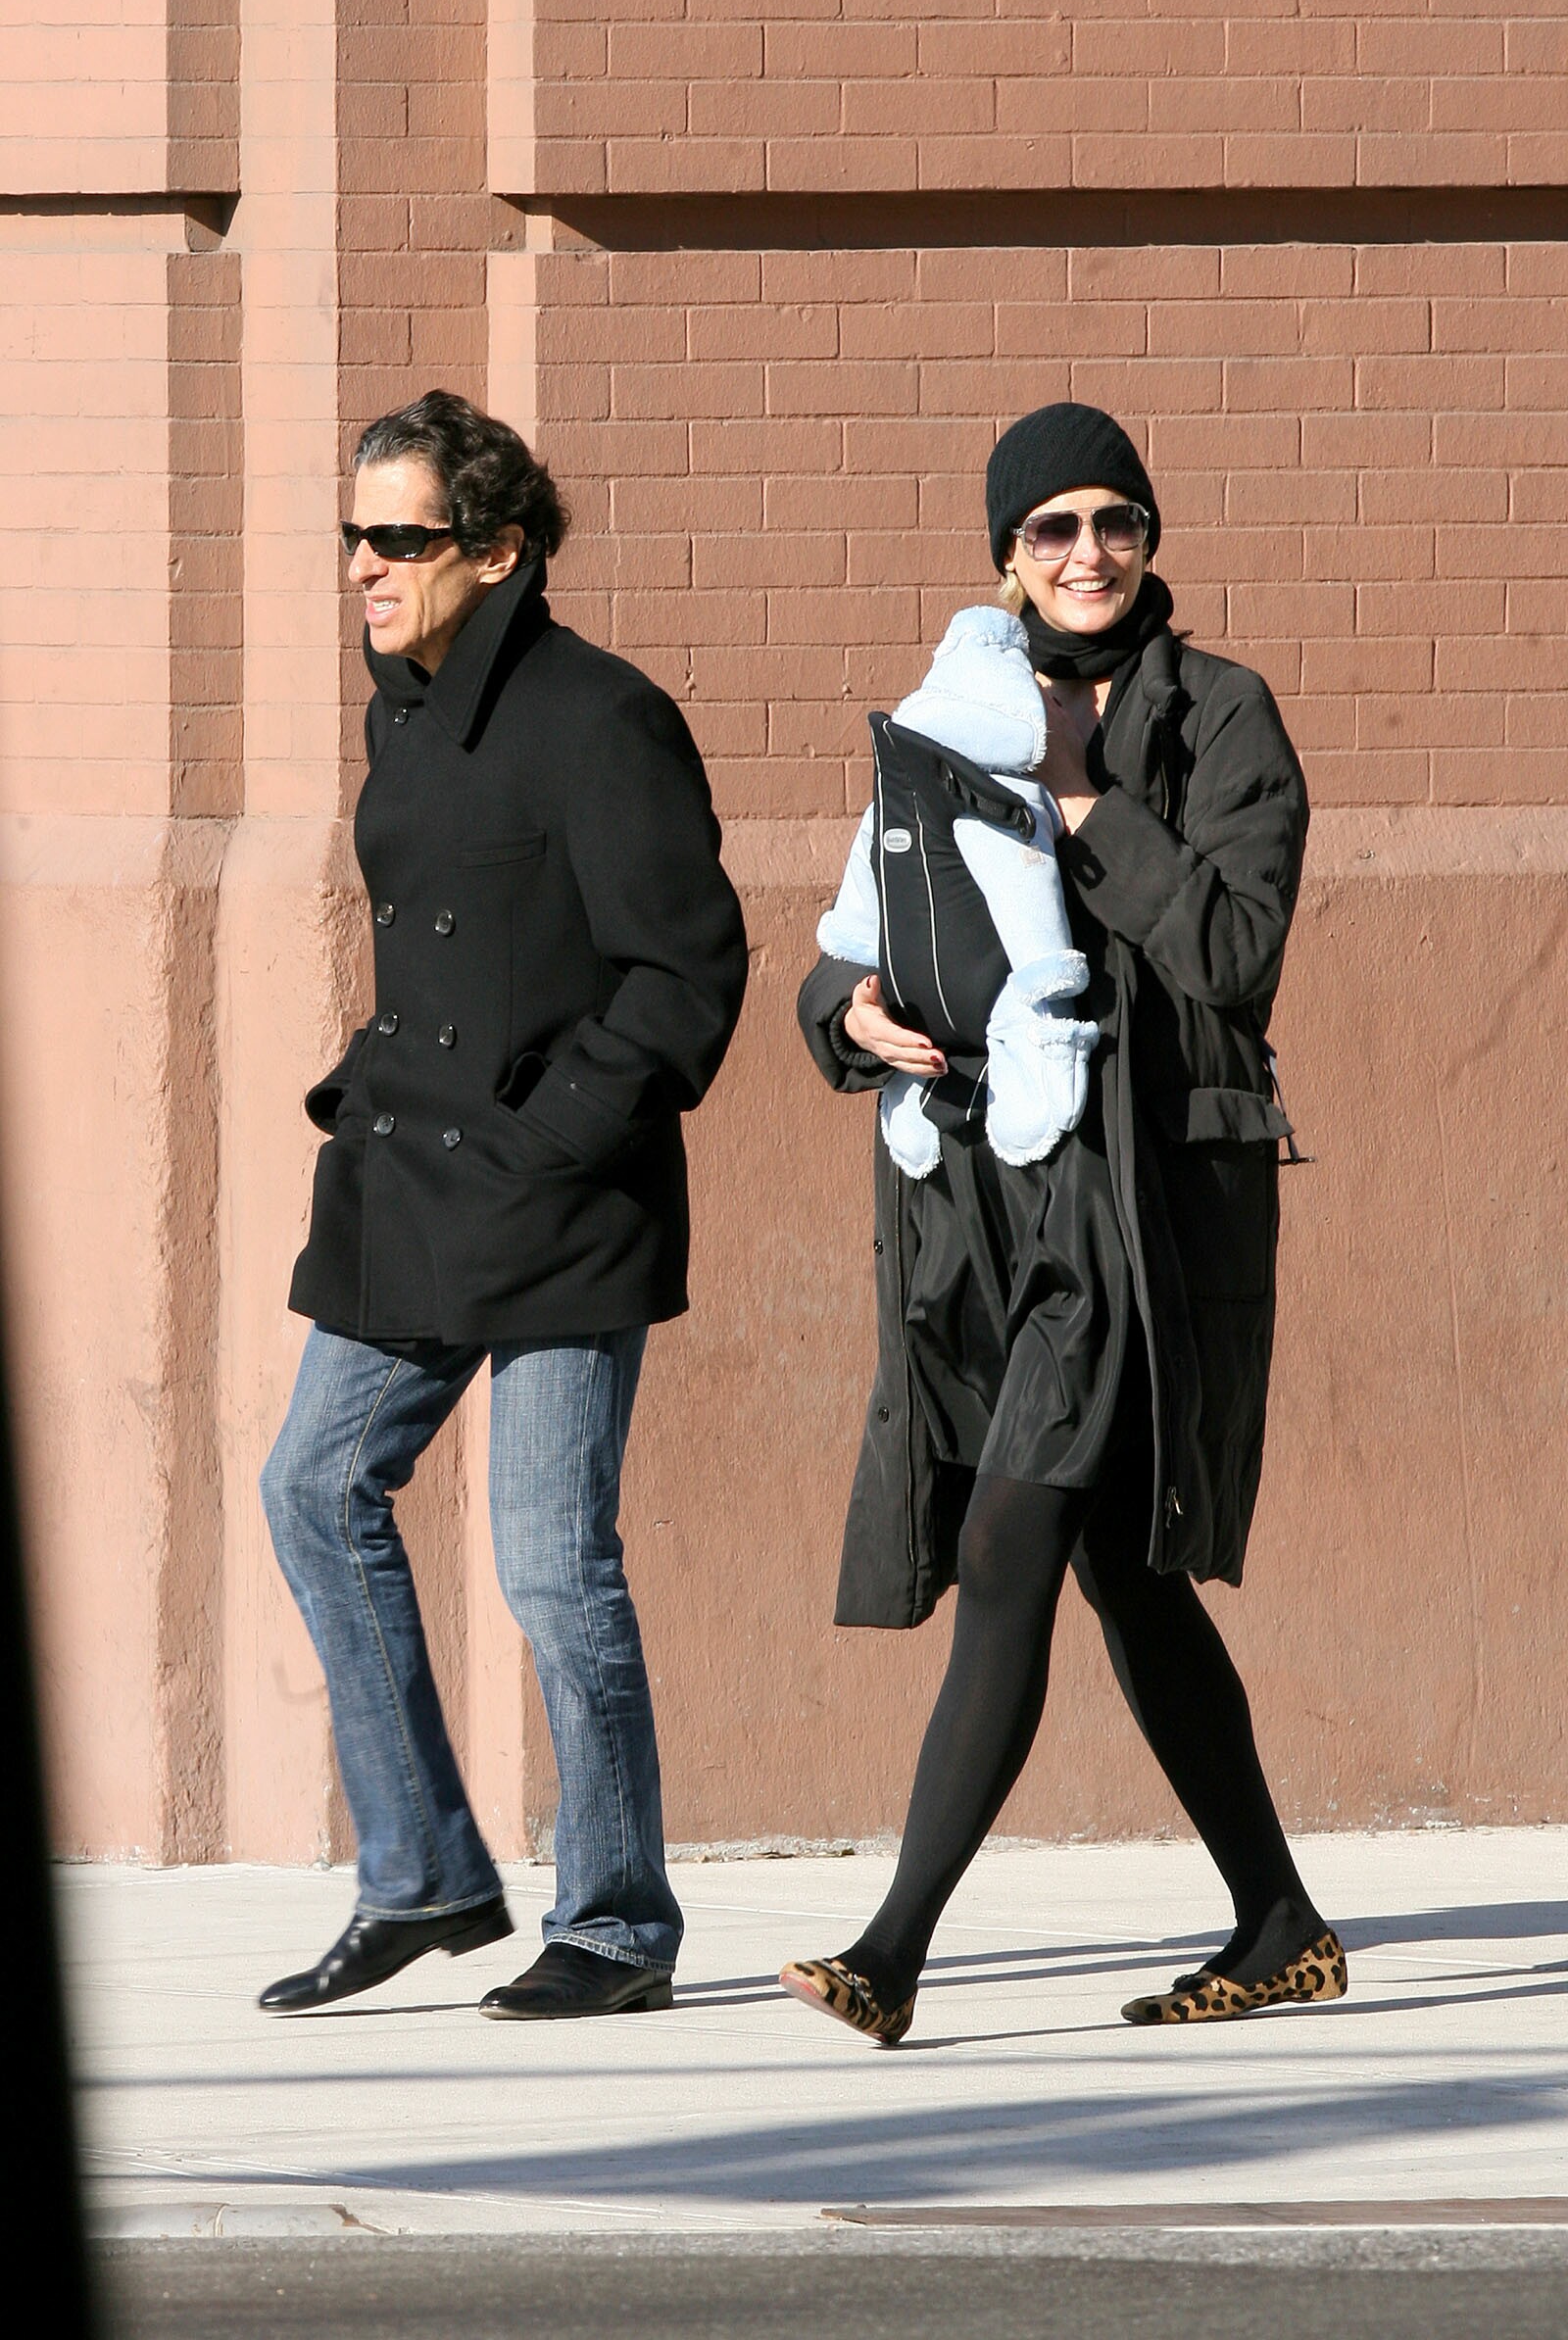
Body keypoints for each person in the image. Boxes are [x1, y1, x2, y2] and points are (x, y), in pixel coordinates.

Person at [782, 402, 1346, 2046]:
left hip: (1137, 1212)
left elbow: (1236, 954)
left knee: (1008, 1541)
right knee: (1127, 1580)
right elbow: (870, 908)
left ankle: (892, 1952)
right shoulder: (956, 711)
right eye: (1053, 529)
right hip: (986, 1203)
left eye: (1116, 522)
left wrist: (1092, 802)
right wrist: (845, 1012)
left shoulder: (1221, 715)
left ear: (1150, 538)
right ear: (1006, 556)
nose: (1088, 553)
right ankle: (1283, 1921)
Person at [258, 391, 748, 2019]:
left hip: (558, 1203)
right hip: (411, 1182)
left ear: (498, 550)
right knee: (313, 1486)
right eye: (355, 535)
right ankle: (423, 1875)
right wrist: (364, 1086)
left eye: (400, 538)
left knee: (548, 1565)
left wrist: (553, 1135)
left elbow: (685, 973)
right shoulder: (404, 708)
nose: (365, 566)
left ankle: (615, 1924)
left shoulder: (600, 717)